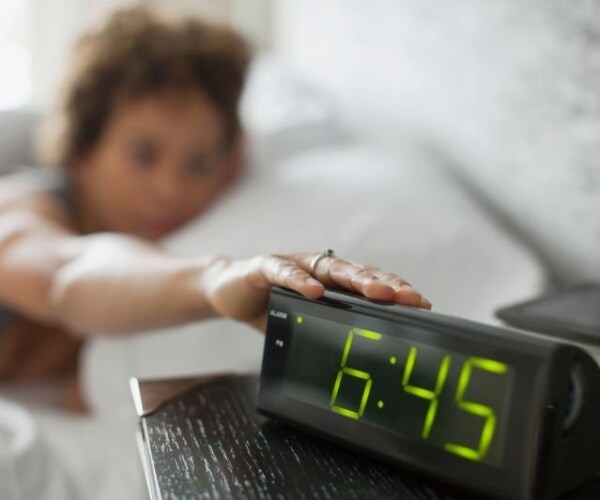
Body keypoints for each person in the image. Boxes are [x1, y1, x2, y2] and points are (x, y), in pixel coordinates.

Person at [0, 7, 430, 409]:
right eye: (144, 155)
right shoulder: (22, 211)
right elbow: (66, 277)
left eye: (198, 164)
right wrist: (218, 277)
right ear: (85, 149)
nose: (171, 189)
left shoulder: (164, 237)